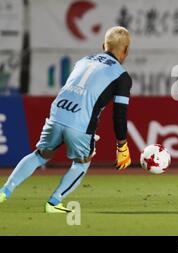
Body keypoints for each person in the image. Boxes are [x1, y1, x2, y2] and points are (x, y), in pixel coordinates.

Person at [0, 26, 133, 213]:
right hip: (80, 124)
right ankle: (54, 202)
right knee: (82, 162)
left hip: (56, 114)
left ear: (103, 44)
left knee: (40, 155)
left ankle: (5, 190)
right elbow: (119, 115)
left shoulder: (83, 61)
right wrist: (122, 145)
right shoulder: (122, 77)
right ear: (125, 50)